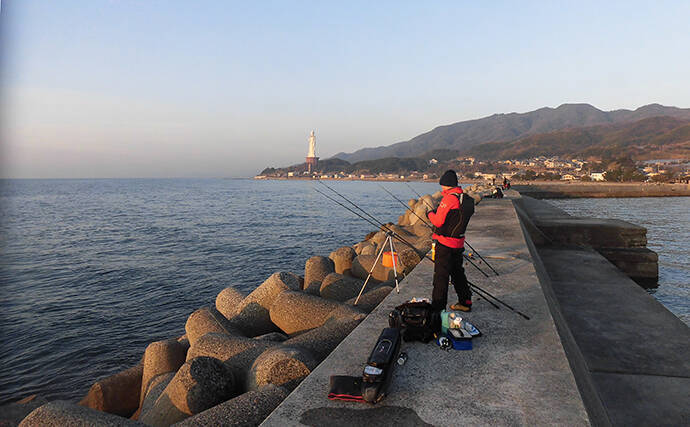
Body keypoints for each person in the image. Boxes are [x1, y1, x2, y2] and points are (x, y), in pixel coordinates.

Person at [426, 170, 472, 317]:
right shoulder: (465, 198)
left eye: (443, 186)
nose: (441, 189)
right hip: (458, 243)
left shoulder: (449, 199)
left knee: (441, 276)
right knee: (457, 273)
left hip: (445, 243)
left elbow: (438, 221)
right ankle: (465, 302)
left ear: (447, 185)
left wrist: (429, 214)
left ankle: (438, 310)